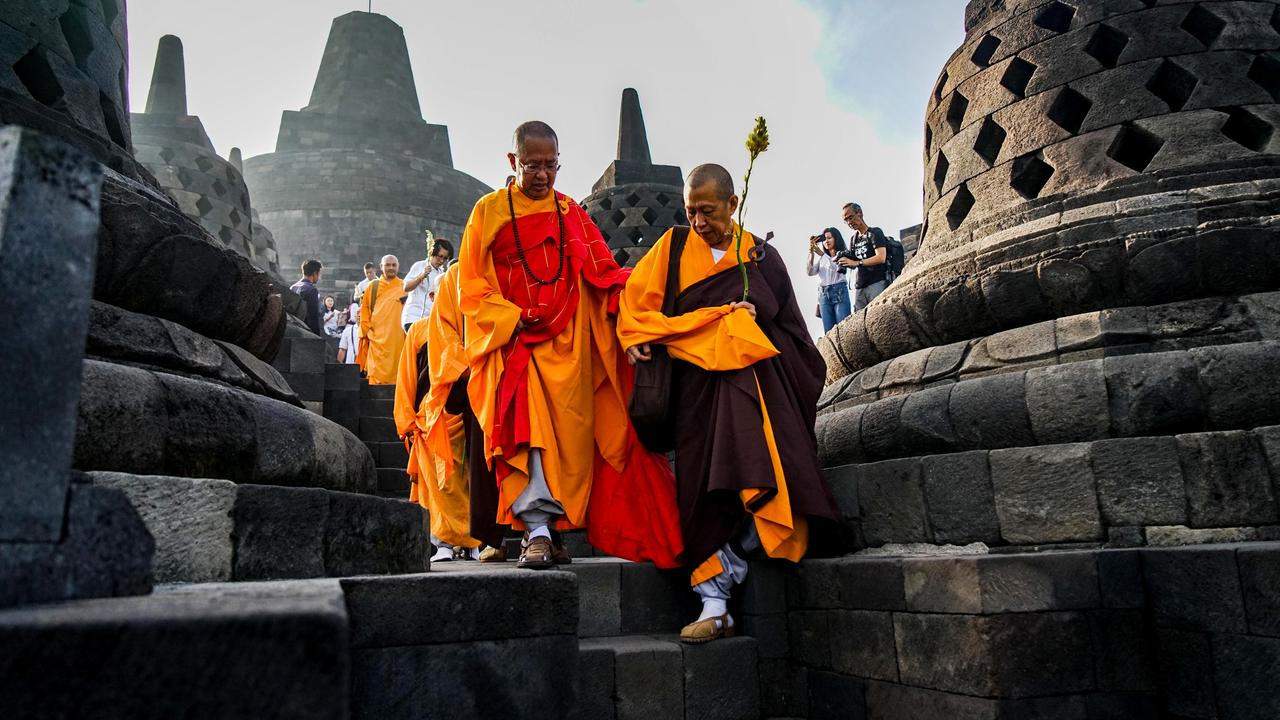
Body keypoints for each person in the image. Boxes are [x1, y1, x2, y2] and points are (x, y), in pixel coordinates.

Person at [618, 164, 842, 644]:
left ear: (732, 204)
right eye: (690, 211)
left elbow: (796, 336)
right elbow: (634, 310)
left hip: (760, 391)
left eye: (707, 211)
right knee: (705, 493)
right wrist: (638, 338)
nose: (698, 222)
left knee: (782, 485)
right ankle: (713, 604)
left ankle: (732, 564)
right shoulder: (673, 247)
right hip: (697, 393)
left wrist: (755, 322)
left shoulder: (760, 256)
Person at [456, 120, 681, 570]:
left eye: (551, 165)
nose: (543, 174)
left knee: (569, 444)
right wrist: (510, 317)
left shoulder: (570, 213)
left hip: (570, 343)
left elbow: (603, 272)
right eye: (532, 165)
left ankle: (554, 531)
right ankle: (537, 531)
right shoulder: (489, 211)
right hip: (516, 343)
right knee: (528, 435)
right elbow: (472, 285)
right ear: (512, 161)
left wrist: (637, 317)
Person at [395, 263, 483, 562]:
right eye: (445, 294)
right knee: (437, 484)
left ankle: (472, 541)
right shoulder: (419, 330)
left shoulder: (473, 330)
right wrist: (406, 419)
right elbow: (407, 377)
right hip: (431, 417)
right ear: (432, 297)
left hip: (469, 414)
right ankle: (442, 542)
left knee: (468, 479)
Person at [358, 255, 406, 384]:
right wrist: (365, 330)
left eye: (394, 265)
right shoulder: (373, 286)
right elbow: (365, 310)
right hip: (376, 339)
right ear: (381, 267)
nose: (391, 268)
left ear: (398, 267)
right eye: (387, 265)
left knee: (398, 372)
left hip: (397, 338)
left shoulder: (404, 286)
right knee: (375, 374)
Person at [839, 203, 890, 311]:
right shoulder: (853, 239)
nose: (849, 222)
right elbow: (854, 263)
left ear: (860, 213)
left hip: (877, 283)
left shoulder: (875, 232)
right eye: (846, 220)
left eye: (850, 217)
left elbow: (881, 257)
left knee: (878, 314)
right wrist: (845, 261)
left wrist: (857, 263)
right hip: (860, 287)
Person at [402, 236, 454, 332]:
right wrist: (421, 276)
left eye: (445, 258)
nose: (441, 261)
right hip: (414, 317)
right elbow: (406, 287)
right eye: (440, 256)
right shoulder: (420, 266)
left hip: (430, 321)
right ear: (432, 252)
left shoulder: (442, 274)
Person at [806, 227, 851, 333]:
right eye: (824, 239)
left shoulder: (842, 253)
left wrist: (822, 254)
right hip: (823, 294)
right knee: (829, 332)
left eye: (829, 238)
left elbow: (837, 268)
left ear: (836, 239)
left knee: (843, 328)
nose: (826, 241)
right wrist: (811, 252)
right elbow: (810, 272)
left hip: (839, 291)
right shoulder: (822, 257)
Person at [290, 259, 325, 337]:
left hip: (293, 329)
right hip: (305, 332)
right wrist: (317, 336)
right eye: (319, 274)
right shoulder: (311, 290)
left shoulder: (293, 287)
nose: (319, 277)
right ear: (315, 273)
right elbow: (313, 317)